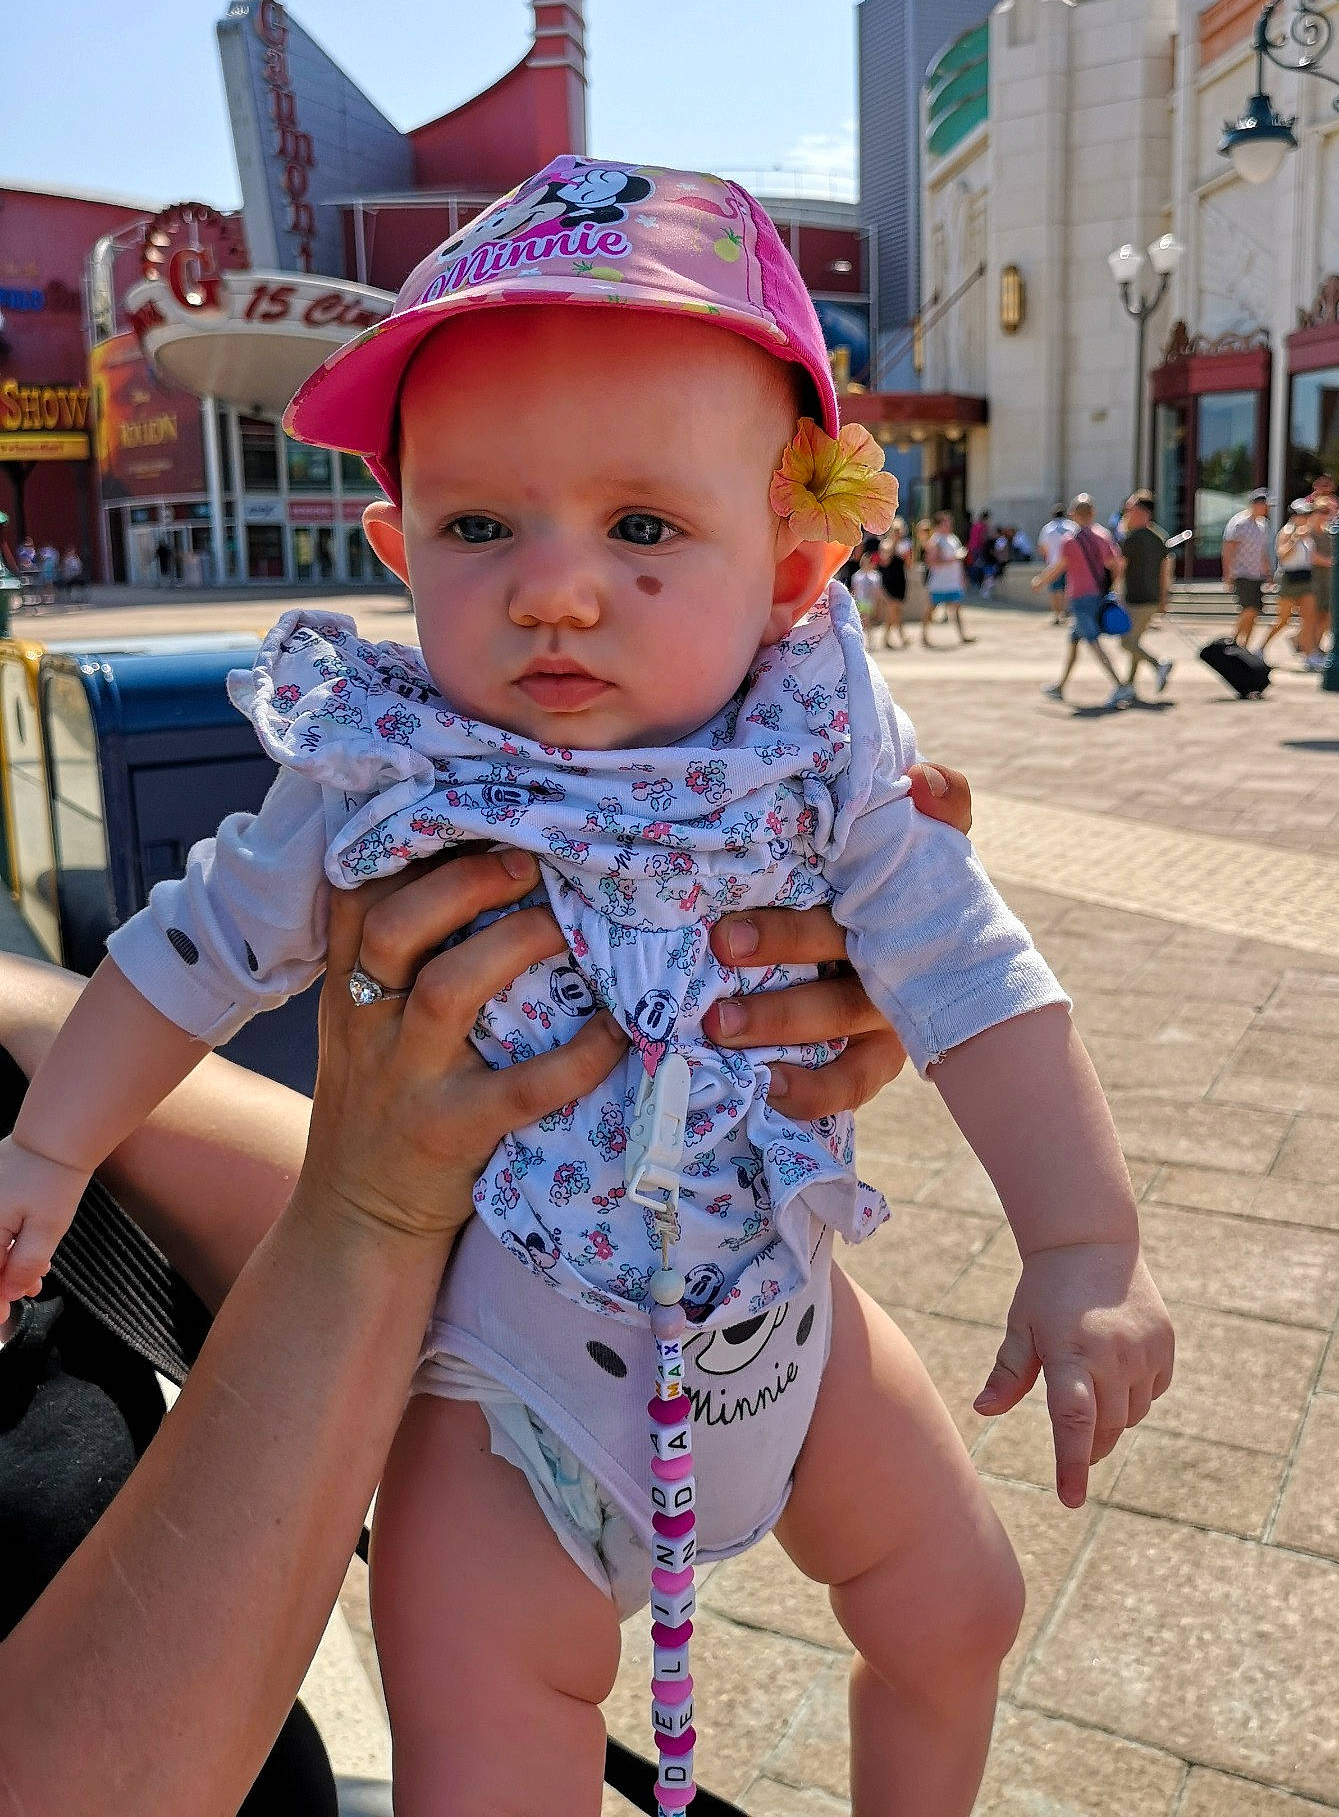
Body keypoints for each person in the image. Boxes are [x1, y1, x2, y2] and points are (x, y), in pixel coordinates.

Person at [0, 160, 1172, 1816]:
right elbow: (185, 949)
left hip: (782, 1318)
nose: (553, 585)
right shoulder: (376, 771)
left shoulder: (821, 750)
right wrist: (47, 1152)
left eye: (641, 526)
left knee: (959, 1607)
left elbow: (972, 968)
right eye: (483, 525)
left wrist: (1084, 1241)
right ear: (399, 542)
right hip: (506, 1386)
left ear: (791, 556)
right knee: (487, 1744)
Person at [0, 839, 938, 1813]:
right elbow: (221, 938)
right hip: (498, 1473)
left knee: (963, 1610)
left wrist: (864, 957)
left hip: (704, 1323)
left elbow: (951, 925)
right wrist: (367, 1204)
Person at [1033, 493, 1131, 707]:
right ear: (1093, 513)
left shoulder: (1071, 541)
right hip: (1097, 594)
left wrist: (1040, 581)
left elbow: (1059, 566)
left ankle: (1121, 686)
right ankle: (1060, 686)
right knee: (1074, 640)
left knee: (1093, 642)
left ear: (1073, 514)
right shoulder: (1103, 535)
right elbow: (1117, 564)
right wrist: (1111, 586)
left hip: (1080, 597)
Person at [1117, 491, 1173, 700]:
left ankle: (1158, 664)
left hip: (1136, 599)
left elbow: (1120, 568)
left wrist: (1116, 594)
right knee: (1135, 642)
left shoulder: (1131, 539)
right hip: (1151, 599)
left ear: (1141, 512)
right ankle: (1129, 686)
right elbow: (1166, 571)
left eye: (1130, 508)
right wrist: (1163, 598)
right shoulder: (1159, 536)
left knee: (1126, 642)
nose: (1126, 512)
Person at [1263, 499, 1320, 663]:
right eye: (1303, 514)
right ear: (1294, 516)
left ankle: (1310, 654)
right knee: (1284, 619)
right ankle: (1261, 647)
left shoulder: (1308, 534)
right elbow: (1282, 554)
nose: (1306, 517)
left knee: (1309, 618)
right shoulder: (1287, 531)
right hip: (1289, 578)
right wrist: (1295, 537)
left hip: (1305, 577)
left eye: (1308, 514)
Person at [1222, 488, 1273, 649]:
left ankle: (1244, 646)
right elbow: (1228, 550)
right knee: (1248, 609)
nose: (1267, 508)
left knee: (1255, 612)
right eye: (1265, 505)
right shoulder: (1239, 523)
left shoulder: (1263, 525)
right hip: (1241, 573)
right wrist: (1227, 575)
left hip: (1256, 574)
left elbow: (1262, 551)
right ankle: (1234, 640)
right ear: (1256, 504)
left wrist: (1268, 573)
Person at [923, 510, 975, 646]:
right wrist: (953, 559)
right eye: (946, 523)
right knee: (931, 610)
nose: (949, 525)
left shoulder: (953, 538)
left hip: (953, 581)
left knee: (957, 609)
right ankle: (924, 636)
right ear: (940, 525)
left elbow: (959, 561)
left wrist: (962, 577)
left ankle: (962, 636)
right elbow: (931, 562)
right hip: (939, 582)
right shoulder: (935, 540)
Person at [1308, 476, 1336, 667]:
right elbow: (1311, 556)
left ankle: (1316, 647)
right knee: (1314, 616)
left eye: (1327, 512)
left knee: (1327, 615)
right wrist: (1331, 562)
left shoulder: (1329, 532)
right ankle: (1311, 650)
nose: (1325, 515)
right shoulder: (1307, 531)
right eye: (1321, 511)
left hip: (1327, 580)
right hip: (1312, 579)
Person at [1036, 502, 1074, 623]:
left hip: (1053, 563)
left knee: (1054, 590)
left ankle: (1057, 614)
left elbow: (1042, 547)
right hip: (1069, 564)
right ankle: (1066, 612)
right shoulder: (1072, 527)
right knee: (1068, 589)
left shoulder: (1047, 528)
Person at [876, 516, 911, 648]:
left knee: (895, 611)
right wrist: (894, 545)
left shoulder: (904, 545)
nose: (898, 534)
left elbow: (908, 565)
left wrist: (907, 556)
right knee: (893, 610)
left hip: (900, 580)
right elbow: (884, 562)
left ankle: (887, 638)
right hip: (888, 581)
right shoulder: (885, 544)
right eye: (895, 531)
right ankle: (901, 637)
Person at [850, 538, 882, 641]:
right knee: (864, 621)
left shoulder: (875, 576)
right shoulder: (857, 576)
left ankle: (869, 638)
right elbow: (854, 590)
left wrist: (878, 603)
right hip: (861, 601)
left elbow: (877, 591)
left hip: (871, 601)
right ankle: (865, 639)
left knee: (868, 622)